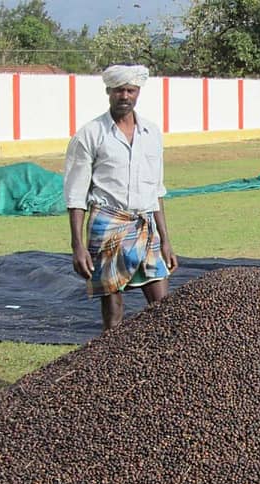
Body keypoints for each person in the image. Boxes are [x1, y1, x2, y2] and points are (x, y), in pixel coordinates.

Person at [64, 63, 178, 332]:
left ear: (138, 92)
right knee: (114, 310)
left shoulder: (151, 133)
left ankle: (160, 361)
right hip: (108, 223)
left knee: (163, 306)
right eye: (119, 91)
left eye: (130, 90)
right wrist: (77, 245)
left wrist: (166, 241)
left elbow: (156, 190)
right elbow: (76, 195)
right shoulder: (90, 135)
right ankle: (108, 365)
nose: (124, 96)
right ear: (109, 92)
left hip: (145, 223)